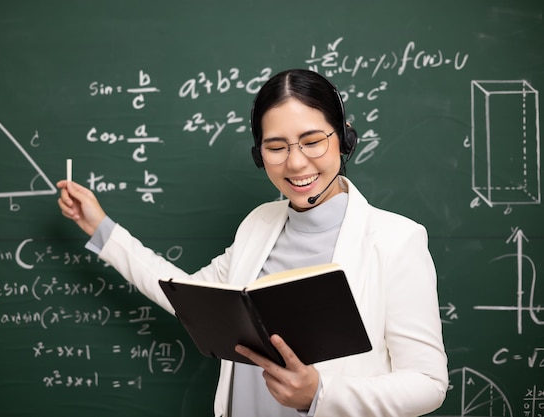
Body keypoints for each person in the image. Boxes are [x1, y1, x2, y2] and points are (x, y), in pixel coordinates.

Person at [57, 68, 448, 417]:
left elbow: (428, 384)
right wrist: (101, 227)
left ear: (344, 139)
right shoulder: (258, 225)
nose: (295, 164)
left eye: (312, 141)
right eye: (276, 148)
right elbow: (187, 296)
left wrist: (320, 394)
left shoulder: (396, 240)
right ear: (259, 154)